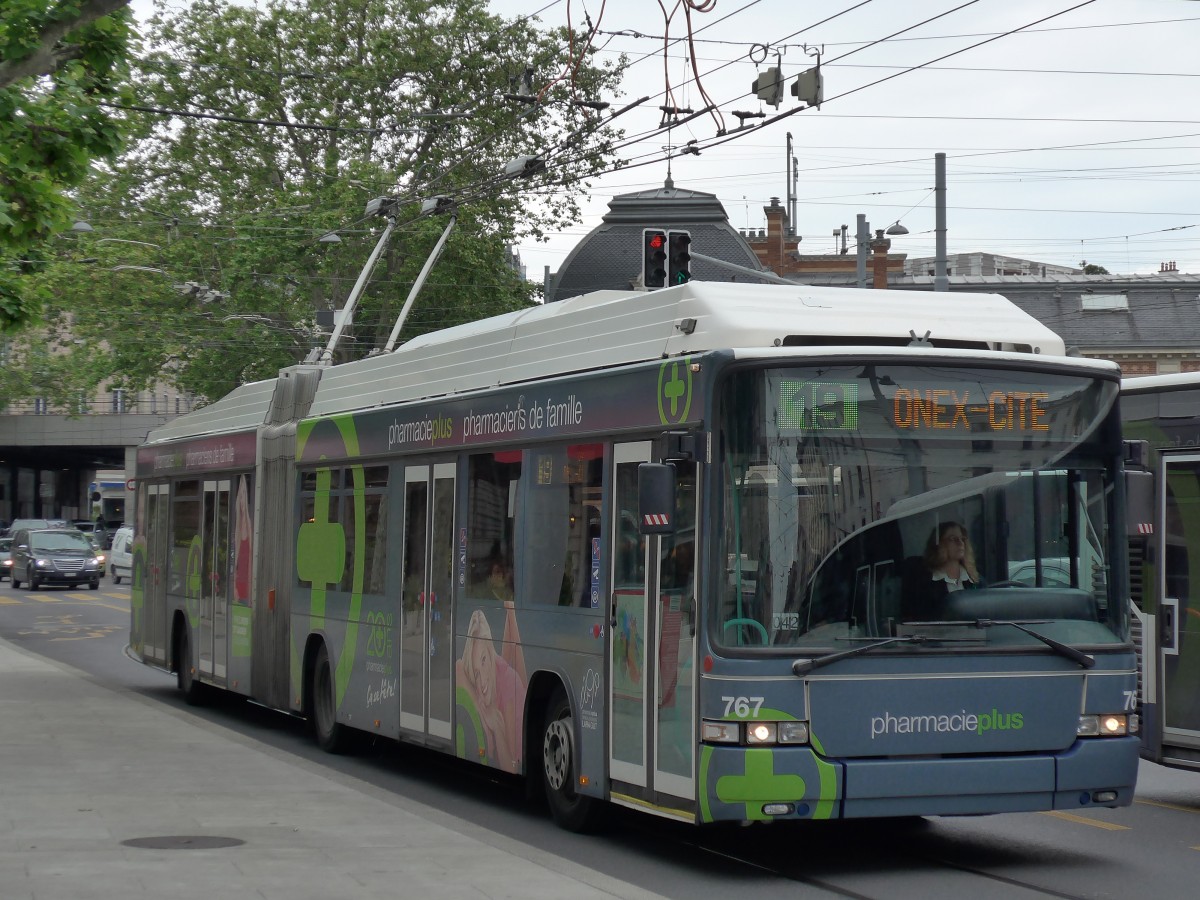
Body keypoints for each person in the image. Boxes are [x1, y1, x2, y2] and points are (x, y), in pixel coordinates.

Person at [456, 601, 527, 773]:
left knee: (515, 680)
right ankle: (510, 611)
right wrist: (480, 708)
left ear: (491, 654)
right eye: (476, 673)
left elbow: (512, 768)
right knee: (506, 671)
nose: (481, 682)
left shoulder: (509, 683)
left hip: (515, 692)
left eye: (483, 660)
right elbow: (458, 666)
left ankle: (511, 612)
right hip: (503, 677)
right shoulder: (487, 677)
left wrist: (496, 729)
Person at [923, 521, 981, 597]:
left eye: (962, 539)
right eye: (953, 539)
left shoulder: (976, 581)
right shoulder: (925, 583)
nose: (960, 543)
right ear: (939, 544)